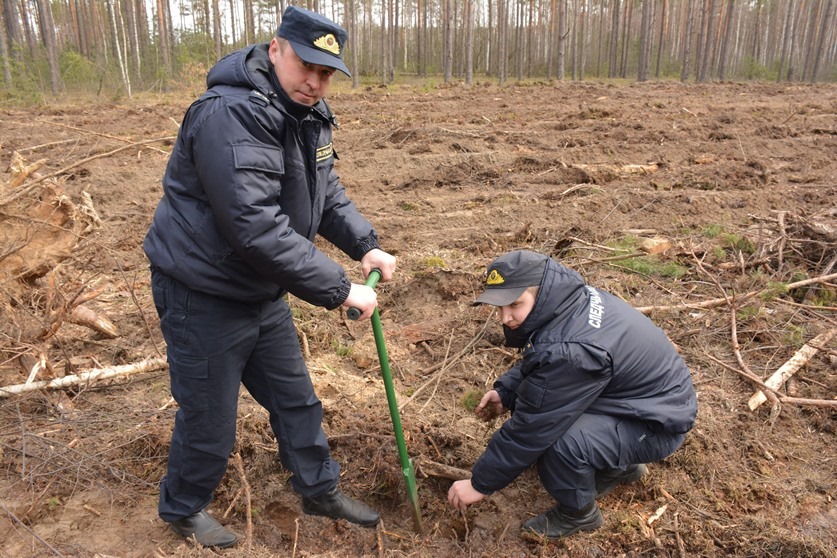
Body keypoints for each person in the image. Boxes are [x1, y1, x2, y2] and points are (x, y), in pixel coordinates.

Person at [143, 6, 396, 548]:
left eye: (326, 73)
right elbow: (254, 226)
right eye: (306, 66)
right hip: (203, 291)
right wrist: (338, 288)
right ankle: (183, 508)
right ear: (276, 48)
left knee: (296, 400)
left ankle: (318, 489)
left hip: (260, 288)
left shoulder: (308, 112)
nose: (314, 82)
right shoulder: (229, 113)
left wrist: (365, 244)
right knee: (210, 420)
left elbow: (324, 192)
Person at [447, 250, 697, 539]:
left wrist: (479, 484)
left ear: (540, 293)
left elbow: (533, 427)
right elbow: (546, 361)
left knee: (559, 442)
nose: (505, 317)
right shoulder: (570, 302)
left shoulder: (573, 349)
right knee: (552, 417)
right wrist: (507, 391)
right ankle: (621, 468)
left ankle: (579, 513)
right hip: (643, 403)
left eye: (514, 304)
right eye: (498, 307)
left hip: (657, 425)